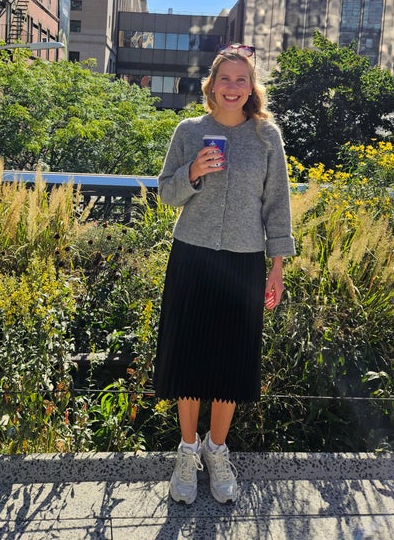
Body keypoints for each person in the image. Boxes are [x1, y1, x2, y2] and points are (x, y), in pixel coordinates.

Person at [154, 44, 296, 504]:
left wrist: (276, 267)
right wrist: (192, 172)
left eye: (241, 79)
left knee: (231, 361)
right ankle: (187, 451)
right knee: (189, 357)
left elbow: (278, 205)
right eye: (225, 79)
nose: (232, 87)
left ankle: (217, 452)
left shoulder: (267, 137)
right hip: (192, 257)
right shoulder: (189, 131)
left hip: (243, 262)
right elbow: (166, 194)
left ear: (251, 87)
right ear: (211, 86)